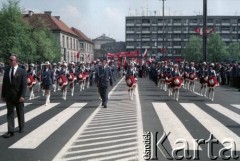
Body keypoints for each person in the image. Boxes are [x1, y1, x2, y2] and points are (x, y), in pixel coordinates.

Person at [1, 55, 27, 138]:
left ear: (16, 61)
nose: (9, 61)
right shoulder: (7, 70)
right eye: (9, 60)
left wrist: (22, 95)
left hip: (18, 96)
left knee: (20, 112)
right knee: (10, 113)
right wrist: (3, 95)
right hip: (9, 96)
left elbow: (24, 85)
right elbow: (4, 84)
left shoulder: (22, 71)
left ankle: (21, 127)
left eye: (11, 60)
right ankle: (10, 131)